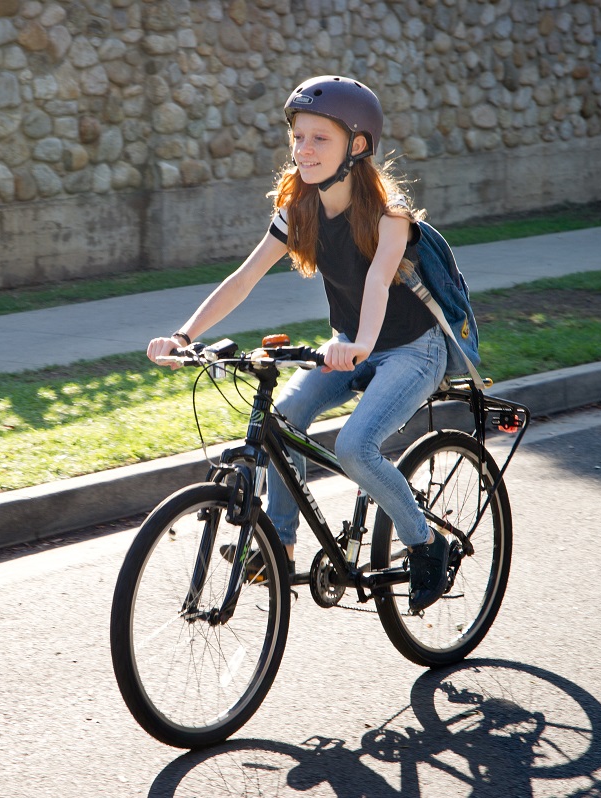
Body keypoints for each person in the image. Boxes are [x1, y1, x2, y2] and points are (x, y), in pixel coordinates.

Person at [145, 75, 451, 613]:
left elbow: (378, 283)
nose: (304, 150)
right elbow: (244, 277)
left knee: (356, 447)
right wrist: (184, 334)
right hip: (348, 343)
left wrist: (360, 345)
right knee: (281, 424)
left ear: (357, 147)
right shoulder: (300, 209)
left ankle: (427, 544)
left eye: (320, 139)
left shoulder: (389, 216)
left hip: (411, 349)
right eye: (299, 137)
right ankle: (279, 543)